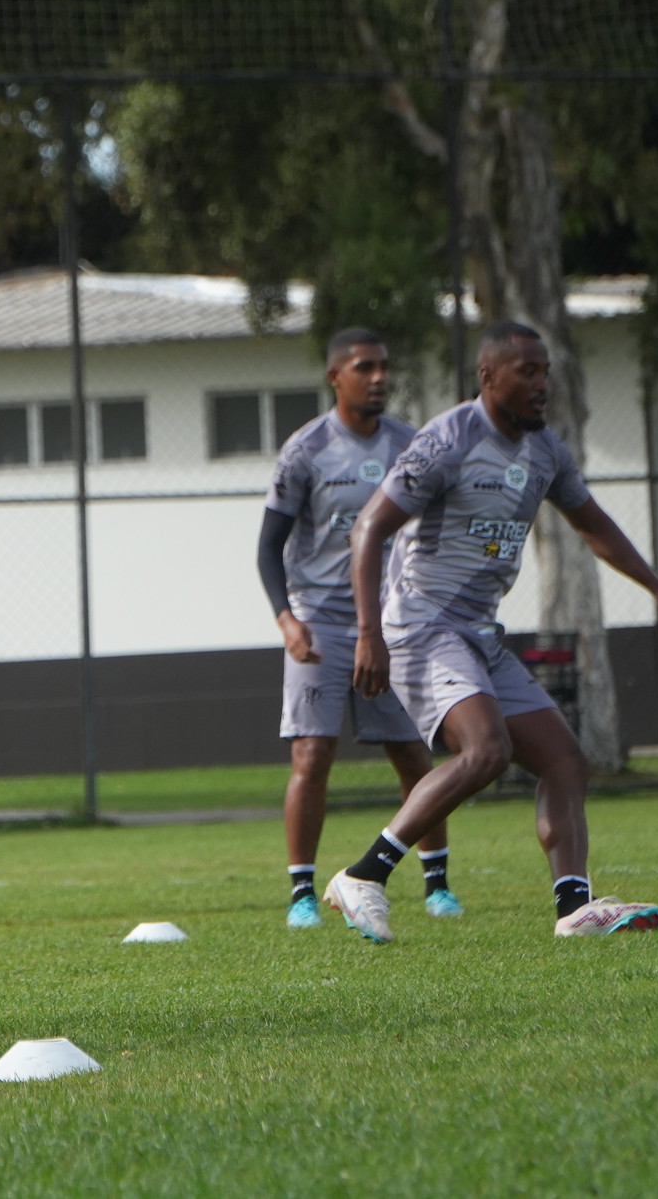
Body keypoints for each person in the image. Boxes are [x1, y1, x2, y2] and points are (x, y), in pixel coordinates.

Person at [325, 322, 658, 942]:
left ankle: (574, 910)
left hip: (478, 631)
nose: (542, 384)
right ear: (489, 376)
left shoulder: (546, 450)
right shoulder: (447, 440)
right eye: (528, 371)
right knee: (487, 750)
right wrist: (369, 634)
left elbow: (592, 522)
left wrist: (657, 587)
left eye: (545, 371)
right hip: (420, 624)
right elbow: (368, 530)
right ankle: (365, 875)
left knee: (566, 761)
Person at [259, 329, 458, 931]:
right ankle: (301, 894)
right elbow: (268, 547)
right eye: (364, 367)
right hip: (320, 625)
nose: (378, 377)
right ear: (335, 378)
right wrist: (287, 619)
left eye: (384, 367)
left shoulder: (410, 446)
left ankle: (438, 884)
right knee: (312, 754)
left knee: (412, 752)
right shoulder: (306, 450)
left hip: (396, 623)